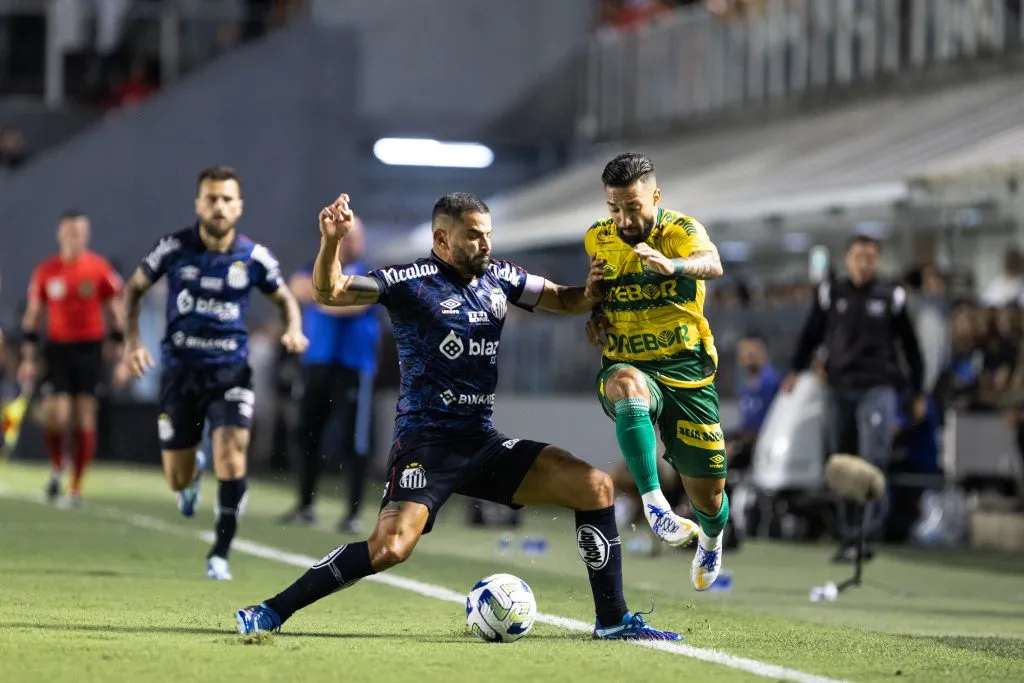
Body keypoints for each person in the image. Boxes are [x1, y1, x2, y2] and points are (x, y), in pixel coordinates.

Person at [235, 191, 680, 641]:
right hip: (425, 444)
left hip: (481, 441)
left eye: (487, 235)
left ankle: (614, 620)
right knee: (390, 547)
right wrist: (331, 242)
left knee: (595, 487)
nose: (485, 245)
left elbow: (563, 301)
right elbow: (331, 290)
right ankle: (271, 610)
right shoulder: (410, 280)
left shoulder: (501, 277)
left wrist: (591, 291)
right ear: (442, 239)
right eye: (473, 236)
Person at [122, 165, 308, 580]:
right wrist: (132, 342)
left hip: (230, 373)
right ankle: (191, 477)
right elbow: (133, 288)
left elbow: (285, 300)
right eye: (211, 198)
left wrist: (294, 329)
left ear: (239, 206)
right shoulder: (173, 248)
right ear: (198, 204)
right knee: (176, 477)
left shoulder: (253, 257)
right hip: (180, 374)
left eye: (227, 199)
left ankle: (220, 553)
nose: (219, 206)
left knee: (232, 454)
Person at [582, 152, 728, 592]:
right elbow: (600, 296)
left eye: (633, 207)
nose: (624, 219)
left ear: (655, 196)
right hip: (628, 362)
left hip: (687, 372)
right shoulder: (597, 238)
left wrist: (674, 266)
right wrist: (595, 307)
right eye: (615, 208)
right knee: (627, 386)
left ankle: (712, 536)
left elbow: (713, 264)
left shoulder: (681, 231)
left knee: (711, 496)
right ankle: (656, 506)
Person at [784, 234, 925, 562]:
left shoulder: (892, 296)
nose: (865, 262)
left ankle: (868, 536)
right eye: (859, 256)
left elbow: (912, 348)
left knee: (873, 459)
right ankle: (849, 535)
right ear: (848, 260)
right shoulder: (831, 293)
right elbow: (811, 334)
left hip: (878, 388)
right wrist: (794, 370)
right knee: (842, 465)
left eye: (872, 256)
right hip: (838, 387)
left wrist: (917, 391)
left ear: (878, 261)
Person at [279, 216, 380, 533]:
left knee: (354, 442)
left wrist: (321, 295)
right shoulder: (314, 265)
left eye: (354, 238)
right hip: (316, 363)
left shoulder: (369, 275)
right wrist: (330, 295)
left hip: (354, 367)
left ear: (362, 242)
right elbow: (295, 289)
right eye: (344, 237)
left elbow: (352, 306)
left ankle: (352, 513)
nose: (348, 242)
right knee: (306, 434)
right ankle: (305, 506)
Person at [19, 210, 124, 506]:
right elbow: (33, 315)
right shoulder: (46, 271)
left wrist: (118, 348)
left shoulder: (99, 268)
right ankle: (57, 466)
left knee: (84, 416)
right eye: (69, 232)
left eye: (79, 232)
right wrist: (28, 357)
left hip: (90, 349)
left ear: (86, 235)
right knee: (57, 415)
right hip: (58, 349)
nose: (74, 237)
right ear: (60, 234)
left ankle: (76, 489)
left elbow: (116, 310)